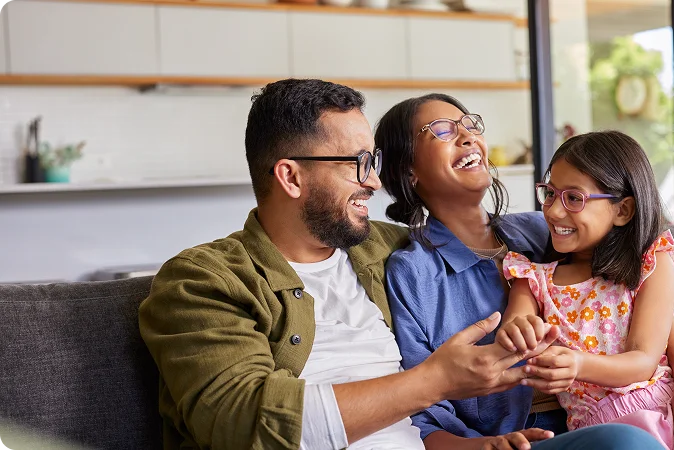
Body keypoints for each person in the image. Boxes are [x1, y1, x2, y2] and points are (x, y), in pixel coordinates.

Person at [139, 79, 556, 450]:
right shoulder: (203, 280)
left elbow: (494, 242)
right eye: (358, 164)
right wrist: (435, 381)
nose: (374, 182)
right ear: (291, 177)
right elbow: (245, 423)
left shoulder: (388, 249)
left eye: (373, 163)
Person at [376, 93, 674, 450]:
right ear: (407, 170)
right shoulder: (413, 273)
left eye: (469, 124)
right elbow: (419, 407)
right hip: (533, 438)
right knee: (625, 442)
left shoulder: (544, 229)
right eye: (443, 129)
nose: (468, 135)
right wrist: (480, 445)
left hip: (637, 406)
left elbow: (637, 298)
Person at [495, 130, 674, 449]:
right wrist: (518, 332)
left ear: (623, 210)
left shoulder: (651, 264)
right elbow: (513, 326)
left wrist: (578, 364)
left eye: (574, 198)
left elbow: (643, 360)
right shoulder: (532, 278)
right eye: (549, 193)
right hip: (601, 431)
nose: (552, 211)